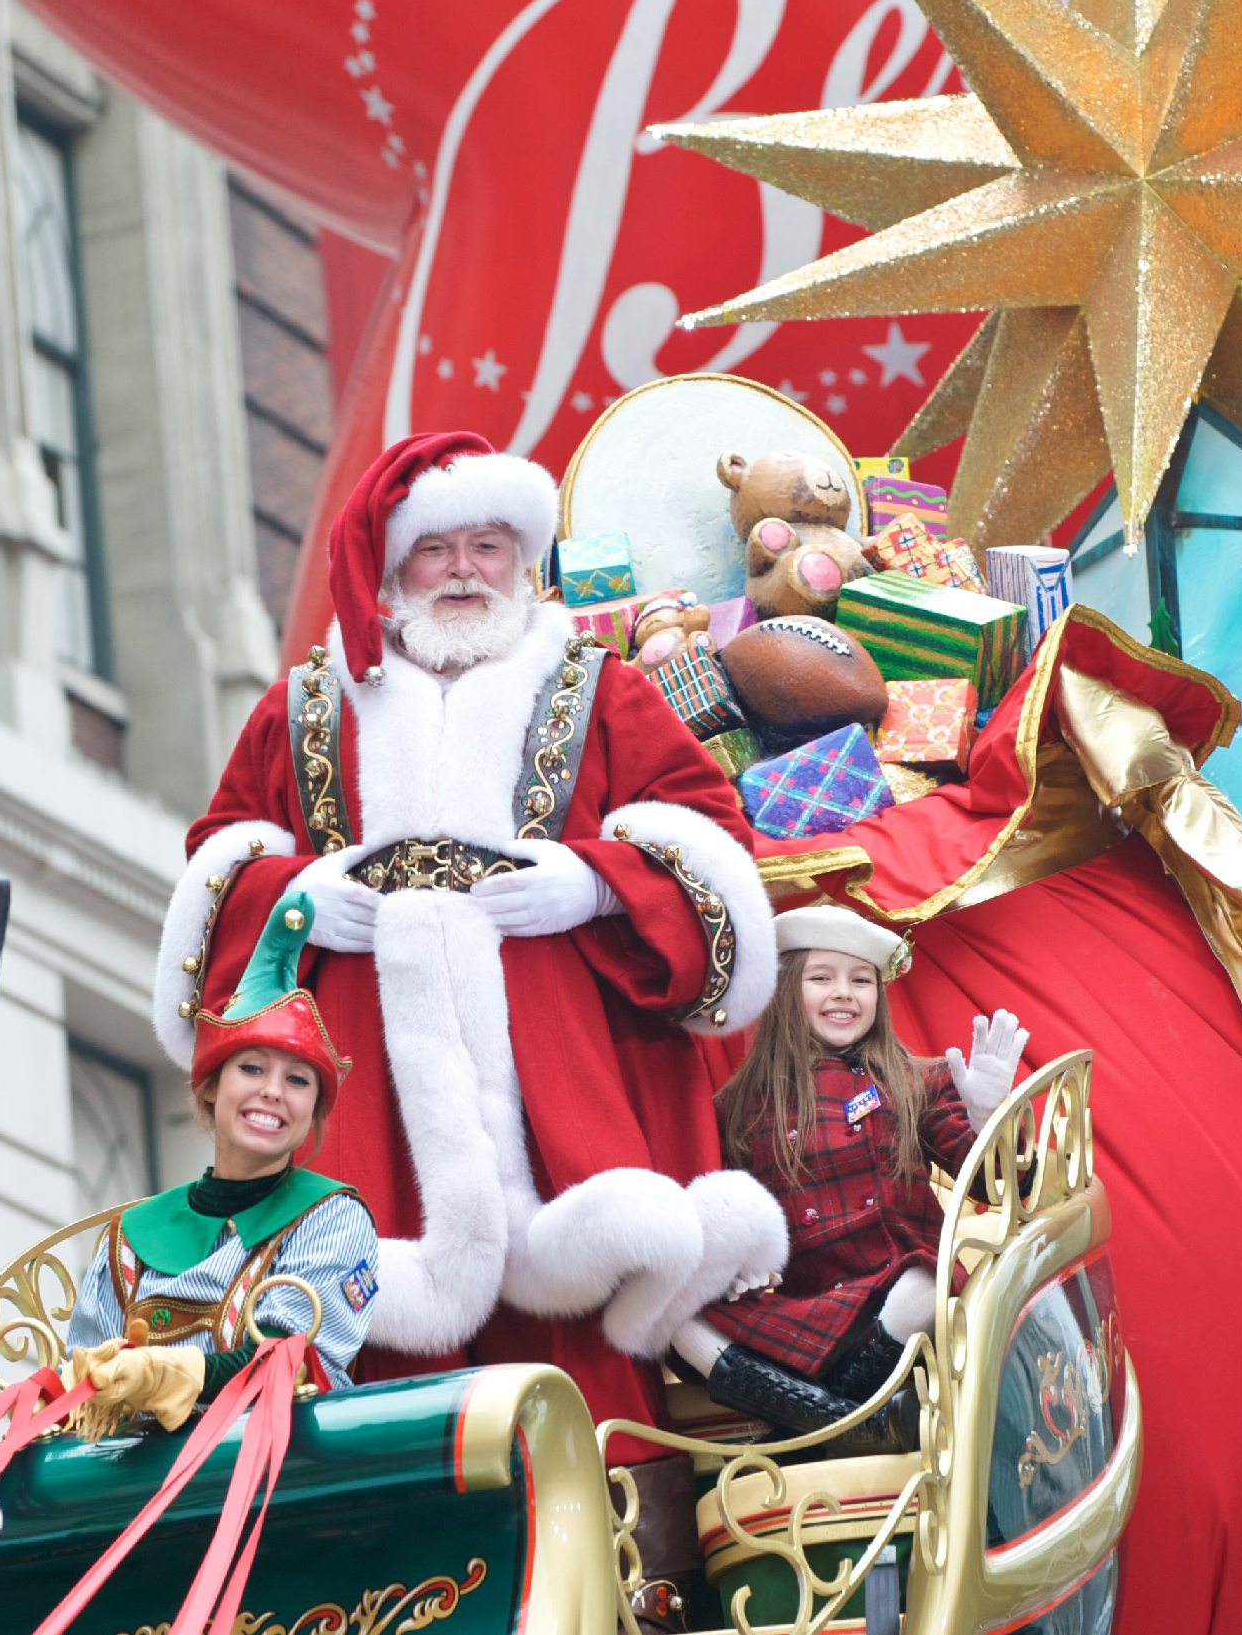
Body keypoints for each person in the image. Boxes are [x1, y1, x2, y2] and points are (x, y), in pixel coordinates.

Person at [152, 430, 784, 1580]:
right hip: (367, 1111)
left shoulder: (606, 693)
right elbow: (217, 881)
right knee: (363, 1346)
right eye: (433, 549)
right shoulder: (302, 711)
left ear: (525, 560)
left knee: (583, 1354)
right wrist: (299, 903)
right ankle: (374, 1584)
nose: (460, 571)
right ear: (386, 575)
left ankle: (631, 1593)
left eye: (487, 546)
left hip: (566, 1115)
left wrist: (596, 882)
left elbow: (714, 852)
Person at [672, 902, 1027, 1435]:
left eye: (861, 980)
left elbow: (1001, 1185)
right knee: (677, 1320)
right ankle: (847, 1424)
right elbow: (725, 1211)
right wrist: (738, 1264)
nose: (844, 992)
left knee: (921, 1282)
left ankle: (822, 1422)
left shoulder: (915, 1082)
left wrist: (988, 1119)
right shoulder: (736, 1108)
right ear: (786, 992)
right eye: (822, 977)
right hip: (808, 1309)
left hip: (897, 1302)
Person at [69, 886, 377, 1432]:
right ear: (211, 1087)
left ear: (314, 1111)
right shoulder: (129, 1234)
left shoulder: (332, 1217)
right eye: (252, 1069)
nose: (273, 1092)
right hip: (129, 1496)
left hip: (270, 1485)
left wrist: (170, 1372)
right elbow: (83, 1392)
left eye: (298, 1080)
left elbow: (293, 1362)